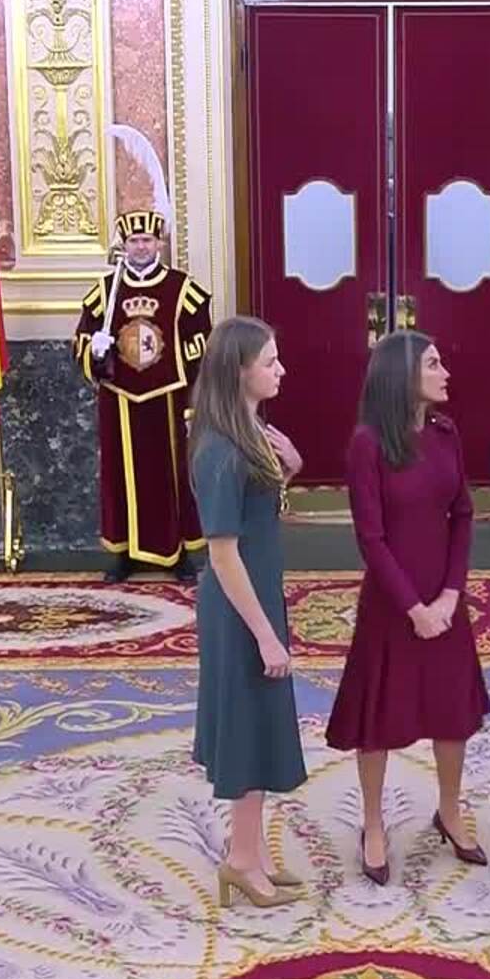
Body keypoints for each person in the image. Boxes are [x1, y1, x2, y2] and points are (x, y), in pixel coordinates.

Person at [327, 331, 490, 885]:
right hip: (392, 602)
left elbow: (463, 514)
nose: (446, 373)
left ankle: (449, 810)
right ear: (402, 375)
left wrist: (450, 595)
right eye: (434, 364)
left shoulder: (446, 433)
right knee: (378, 717)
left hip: (444, 599)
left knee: (451, 711)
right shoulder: (368, 444)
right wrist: (414, 608)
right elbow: (370, 539)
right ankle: (373, 824)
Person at [188, 316, 307, 907]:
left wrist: (290, 467)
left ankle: (252, 854)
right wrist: (264, 635)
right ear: (239, 371)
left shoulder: (252, 434)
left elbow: (261, 514)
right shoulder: (219, 449)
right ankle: (239, 860)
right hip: (240, 611)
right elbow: (222, 552)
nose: (282, 370)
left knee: (259, 724)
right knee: (245, 729)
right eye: (270, 362)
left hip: (258, 595)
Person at [74, 209, 213, 583]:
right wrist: (94, 351)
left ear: (159, 244)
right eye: (134, 241)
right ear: (125, 245)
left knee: (172, 476)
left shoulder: (182, 289)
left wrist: (189, 395)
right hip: (119, 400)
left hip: (169, 399)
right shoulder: (106, 290)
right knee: (120, 478)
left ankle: (178, 552)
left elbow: (202, 342)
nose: (140, 247)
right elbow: (81, 339)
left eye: (147, 241)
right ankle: (124, 553)